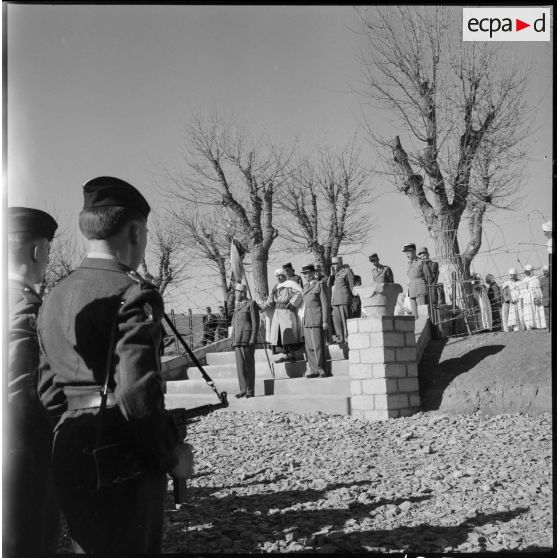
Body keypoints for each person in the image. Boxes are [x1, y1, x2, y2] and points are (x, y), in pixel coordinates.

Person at [37, 177, 192, 554]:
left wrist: (76, 432)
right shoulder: (133, 293)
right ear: (136, 231)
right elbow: (138, 393)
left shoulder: (53, 297)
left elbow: (47, 390)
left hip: (69, 445)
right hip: (121, 452)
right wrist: (174, 456)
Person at [5, 207, 59, 558]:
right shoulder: (26, 305)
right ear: (38, 252)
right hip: (22, 454)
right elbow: (21, 387)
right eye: (48, 252)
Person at [261, 268, 304, 362]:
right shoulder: (275, 287)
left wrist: (292, 303)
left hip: (287, 312)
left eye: (280, 276)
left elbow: (299, 293)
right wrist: (261, 308)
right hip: (277, 314)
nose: (278, 278)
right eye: (277, 276)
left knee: (289, 335)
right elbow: (270, 301)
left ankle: (292, 355)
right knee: (279, 336)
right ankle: (286, 355)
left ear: (285, 276)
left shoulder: (291, 284)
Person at [300, 264, 329, 378]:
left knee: (318, 345)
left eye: (307, 274)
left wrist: (325, 321)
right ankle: (313, 370)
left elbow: (325, 303)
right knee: (309, 347)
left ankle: (321, 369)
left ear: (312, 273)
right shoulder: (305, 287)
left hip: (317, 318)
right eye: (304, 274)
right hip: (307, 320)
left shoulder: (319, 285)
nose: (305, 276)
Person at [231, 284, 259, 398]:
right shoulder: (237, 307)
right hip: (237, 340)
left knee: (249, 366)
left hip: (247, 340)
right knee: (240, 366)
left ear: (243, 293)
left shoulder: (251, 304)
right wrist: (232, 340)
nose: (235, 295)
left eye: (236, 292)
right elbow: (234, 324)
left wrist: (253, 338)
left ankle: (250, 391)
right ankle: (242, 389)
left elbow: (255, 323)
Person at [326, 256, 355, 344]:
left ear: (340, 264)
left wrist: (352, 298)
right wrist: (331, 274)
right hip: (335, 301)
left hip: (344, 299)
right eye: (333, 264)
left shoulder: (347, 271)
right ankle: (340, 338)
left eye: (335, 264)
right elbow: (328, 284)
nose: (334, 266)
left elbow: (351, 285)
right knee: (337, 320)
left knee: (345, 319)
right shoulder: (334, 274)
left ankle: (348, 338)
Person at [403, 243, 433, 318]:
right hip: (412, 291)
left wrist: (428, 290)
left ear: (414, 251)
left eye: (408, 253)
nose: (407, 255)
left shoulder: (421, 262)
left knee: (423, 314)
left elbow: (429, 277)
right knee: (415, 316)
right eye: (406, 253)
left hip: (421, 291)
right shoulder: (408, 264)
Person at [520, 264, 546, 330]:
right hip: (527, 300)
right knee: (528, 312)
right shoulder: (524, 280)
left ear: (531, 271)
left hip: (535, 299)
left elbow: (538, 289)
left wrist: (537, 298)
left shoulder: (536, 278)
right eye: (525, 271)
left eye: (527, 271)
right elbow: (522, 290)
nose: (526, 273)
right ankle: (529, 326)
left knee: (537, 311)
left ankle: (539, 325)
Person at [539, 264, 551, 331]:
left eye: (546, 271)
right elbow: (541, 289)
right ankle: (549, 327)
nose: (545, 272)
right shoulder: (542, 280)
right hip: (545, 299)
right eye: (544, 271)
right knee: (547, 315)